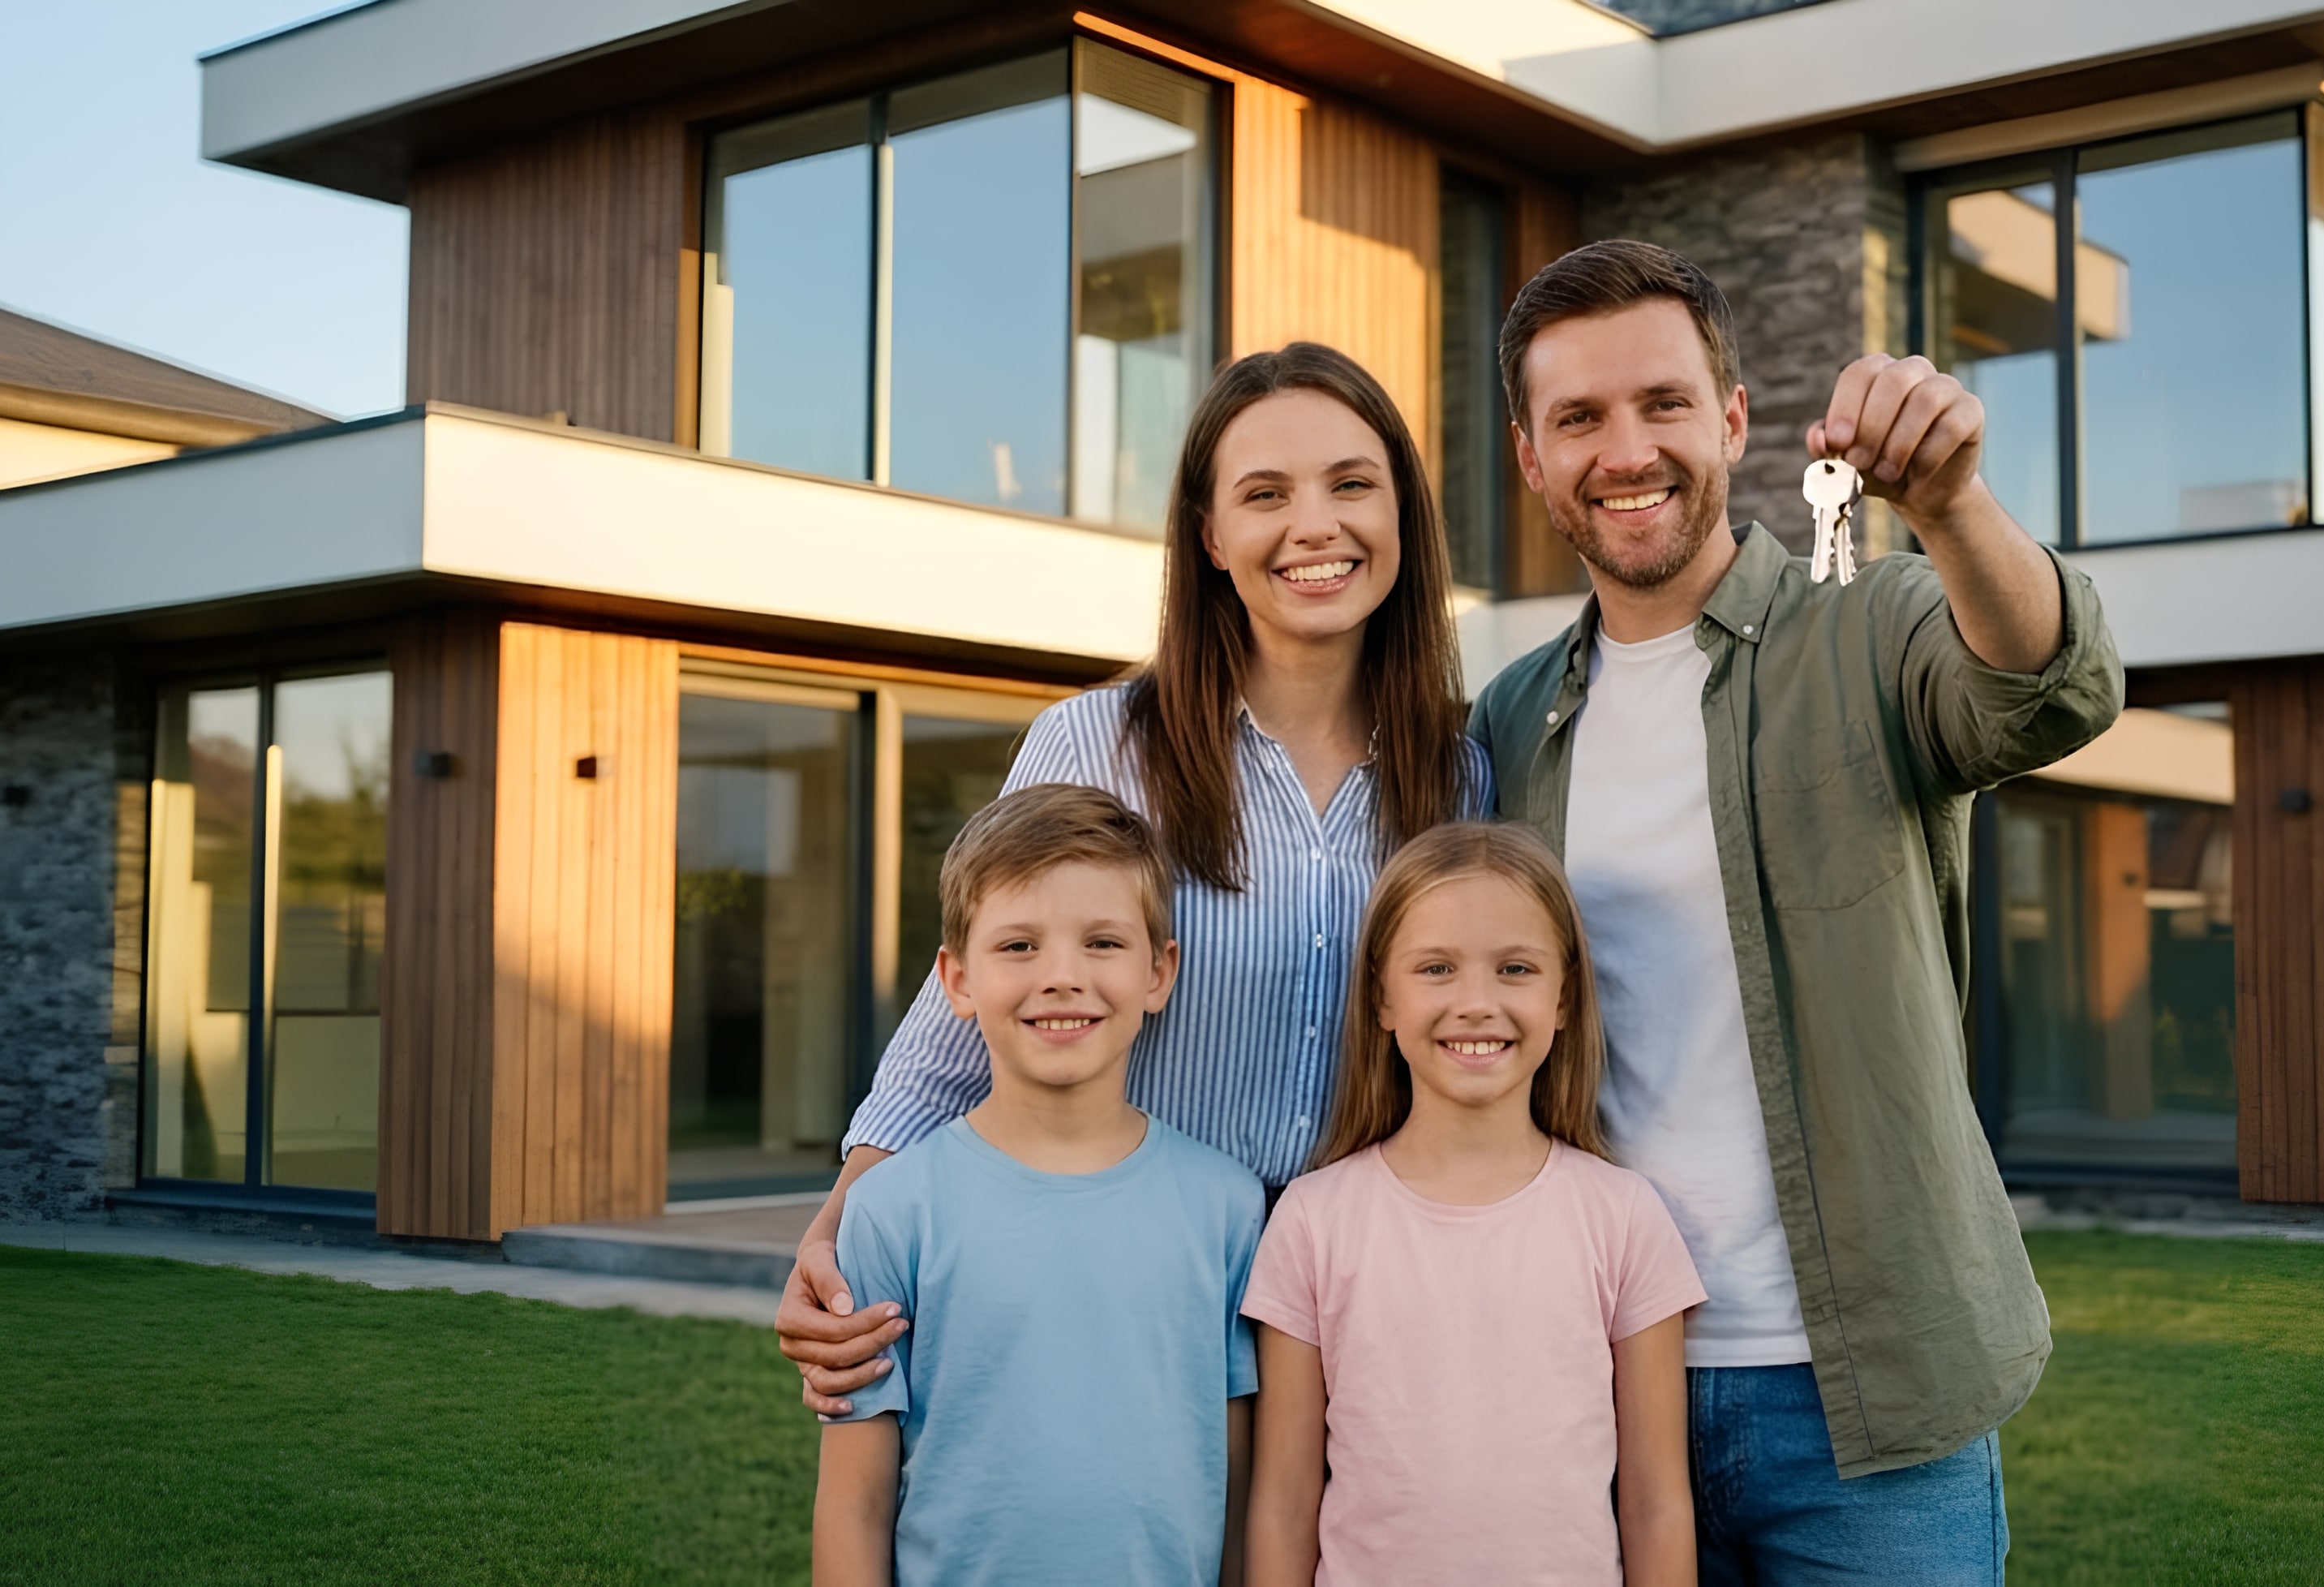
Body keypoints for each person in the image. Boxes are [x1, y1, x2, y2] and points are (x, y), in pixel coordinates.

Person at [1469, 239, 2124, 1582]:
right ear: (1531, 459)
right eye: (1578, 418)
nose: (1625, 450)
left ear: (1730, 419)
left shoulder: (1871, 626)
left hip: (1868, 1403)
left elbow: (2051, 689)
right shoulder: (1511, 717)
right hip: (1605, 1383)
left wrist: (1949, 504)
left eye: (1661, 402)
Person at [779, 343, 1486, 1411]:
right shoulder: (1094, 744)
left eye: (1351, 484)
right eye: (1265, 494)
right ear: (1210, 536)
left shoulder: (1461, 777)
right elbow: (960, 1020)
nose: (1314, 525)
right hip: (1127, 1282)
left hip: (1370, 1299)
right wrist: (840, 1226)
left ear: (1402, 515)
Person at [810, 783, 1265, 1587]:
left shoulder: (1227, 1207)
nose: (1061, 976)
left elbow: (1235, 1489)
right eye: (1019, 946)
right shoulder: (890, 1210)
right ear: (957, 979)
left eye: (1102, 942)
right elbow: (854, 1506)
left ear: (1159, 972)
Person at [1241, 822, 1705, 1587]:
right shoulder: (1312, 1221)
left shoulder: (1624, 1218)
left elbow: (1656, 1505)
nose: (1477, 1003)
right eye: (1437, 969)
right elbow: (1284, 1506)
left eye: (1515, 969)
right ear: (1382, 997)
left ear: (1564, 997)